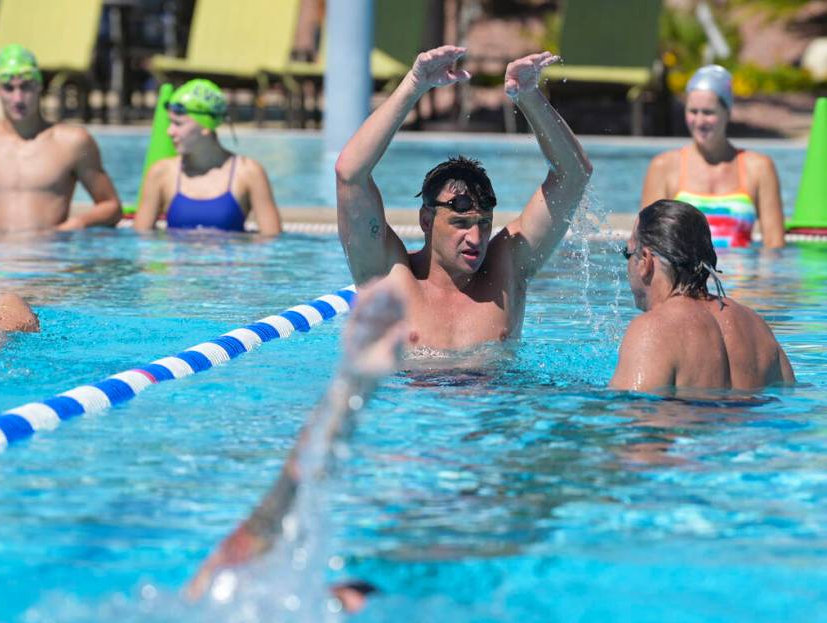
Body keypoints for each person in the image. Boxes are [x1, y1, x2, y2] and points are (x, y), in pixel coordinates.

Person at [335, 47, 592, 351]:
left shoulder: (506, 269)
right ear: (426, 220)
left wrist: (529, 95)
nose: (475, 238)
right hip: (410, 398)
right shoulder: (389, 275)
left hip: (500, 397)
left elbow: (574, 176)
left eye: (484, 224)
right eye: (460, 223)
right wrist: (415, 84)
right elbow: (349, 173)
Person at [185, 281, 407, 613]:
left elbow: (281, 502)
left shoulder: (235, 606)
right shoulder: (282, 620)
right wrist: (358, 380)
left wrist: (354, 379)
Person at [610, 200, 795, 392]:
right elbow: (788, 395)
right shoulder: (756, 326)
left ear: (645, 262)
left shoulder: (652, 331)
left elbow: (629, 414)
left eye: (628, 253)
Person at [0, 44, 122, 232]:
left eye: (26, 87)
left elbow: (111, 207)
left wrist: (76, 225)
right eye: (8, 88)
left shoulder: (72, 142)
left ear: (39, 86)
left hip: (49, 256)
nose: (18, 98)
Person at [640, 64, 786, 248]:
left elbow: (775, 247)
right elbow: (648, 245)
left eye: (708, 113)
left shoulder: (759, 168)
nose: (699, 121)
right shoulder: (663, 167)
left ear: (728, 112)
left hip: (740, 276)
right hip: (684, 277)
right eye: (693, 111)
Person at [133, 79, 282, 235]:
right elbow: (141, 241)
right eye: (170, 123)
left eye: (178, 124)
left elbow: (272, 241)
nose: (170, 131)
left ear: (206, 127)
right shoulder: (161, 173)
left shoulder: (248, 173)